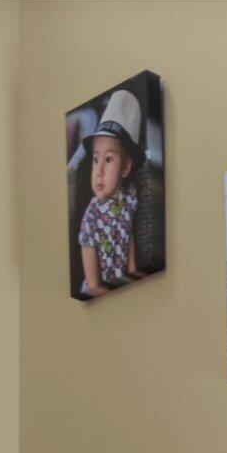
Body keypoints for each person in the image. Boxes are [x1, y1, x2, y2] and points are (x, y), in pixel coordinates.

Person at [76, 88, 148, 298]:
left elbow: (128, 234)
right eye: (95, 160)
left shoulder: (129, 195)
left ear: (125, 167)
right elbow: (92, 285)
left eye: (108, 159)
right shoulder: (91, 218)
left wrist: (133, 274)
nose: (98, 171)